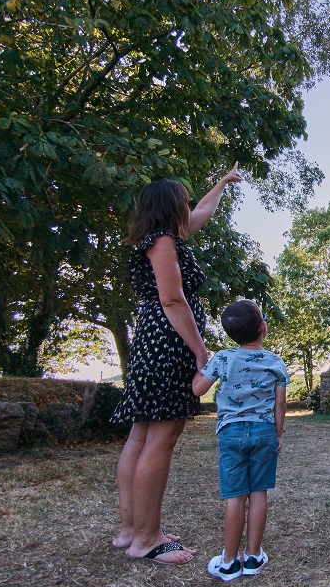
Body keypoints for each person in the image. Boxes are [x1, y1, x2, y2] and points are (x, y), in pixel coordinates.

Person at [109, 163, 243, 564]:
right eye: (183, 201)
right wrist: (201, 351)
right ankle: (147, 539)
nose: (189, 207)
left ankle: (131, 529)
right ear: (171, 208)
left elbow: (202, 212)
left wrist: (222, 183)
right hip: (169, 344)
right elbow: (172, 299)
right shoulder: (164, 242)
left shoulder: (159, 237)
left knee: (141, 434)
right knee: (160, 438)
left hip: (152, 341)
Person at [191, 299, 288, 582]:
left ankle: (230, 562)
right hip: (264, 433)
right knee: (258, 493)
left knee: (235, 497)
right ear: (263, 328)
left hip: (231, 433)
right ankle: (254, 556)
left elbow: (198, 389)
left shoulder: (222, 358)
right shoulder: (275, 362)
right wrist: (277, 434)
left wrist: (202, 364)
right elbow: (279, 405)